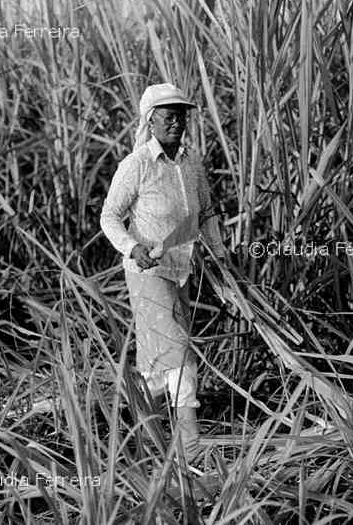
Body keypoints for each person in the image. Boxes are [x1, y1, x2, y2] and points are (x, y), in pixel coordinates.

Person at [100, 83, 227, 462]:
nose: (177, 123)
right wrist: (132, 247)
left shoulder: (191, 162)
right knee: (180, 351)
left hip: (181, 268)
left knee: (158, 360)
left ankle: (141, 433)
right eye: (169, 116)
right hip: (148, 270)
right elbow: (109, 216)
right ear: (150, 121)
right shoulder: (136, 164)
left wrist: (221, 255)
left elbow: (206, 212)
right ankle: (190, 444)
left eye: (181, 117)